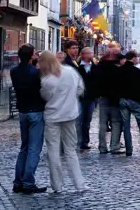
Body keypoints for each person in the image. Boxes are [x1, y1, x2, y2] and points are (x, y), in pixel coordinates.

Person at [38, 51, 86, 194]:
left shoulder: (48, 79)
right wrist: (70, 99)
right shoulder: (70, 71)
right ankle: (79, 183)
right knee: (71, 151)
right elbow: (80, 89)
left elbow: (45, 96)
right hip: (70, 114)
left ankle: (57, 185)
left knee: (53, 151)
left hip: (53, 116)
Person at [11, 44, 47, 194]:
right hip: (36, 111)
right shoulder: (36, 73)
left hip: (23, 111)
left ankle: (18, 181)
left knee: (24, 147)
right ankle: (28, 181)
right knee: (34, 148)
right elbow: (42, 92)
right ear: (32, 55)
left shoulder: (14, 71)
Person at [118, 51, 140, 156]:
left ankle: (129, 150)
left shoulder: (120, 70)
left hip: (123, 100)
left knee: (126, 126)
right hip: (135, 101)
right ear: (133, 58)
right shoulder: (137, 71)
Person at [96, 43, 123, 154]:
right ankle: (114, 146)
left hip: (103, 96)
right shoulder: (119, 66)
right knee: (116, 122)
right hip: (116, 98)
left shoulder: (100, 65)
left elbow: (96, 80)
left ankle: (102, 147)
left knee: (103, 123)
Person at [77, 47, 99, 150]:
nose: (91, 55)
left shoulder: (95, 67)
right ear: (84, 55)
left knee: (87, 121)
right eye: (89, 53)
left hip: (91, 97)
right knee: (79, 120)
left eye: (92, 53)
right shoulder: (77, 66)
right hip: (80, 97)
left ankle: (85, 142)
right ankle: (78, 141)